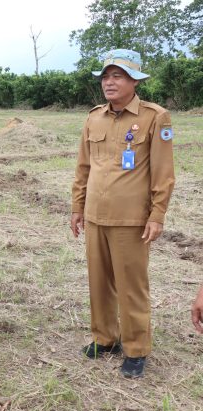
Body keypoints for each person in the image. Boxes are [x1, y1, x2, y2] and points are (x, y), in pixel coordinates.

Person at [71, 49, 175, 379]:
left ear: (135, 81)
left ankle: (136, 347)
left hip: (131, 219)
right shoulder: (94, 117)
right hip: (95, 216)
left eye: (118, 76)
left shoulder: (154, 117)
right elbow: (83, 167)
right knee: (98, 283)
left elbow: (163, 173)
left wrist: (157, 215)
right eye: (106, 76)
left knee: (131, 286)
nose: (109, 82)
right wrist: (77, 207)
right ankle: (105, 338)